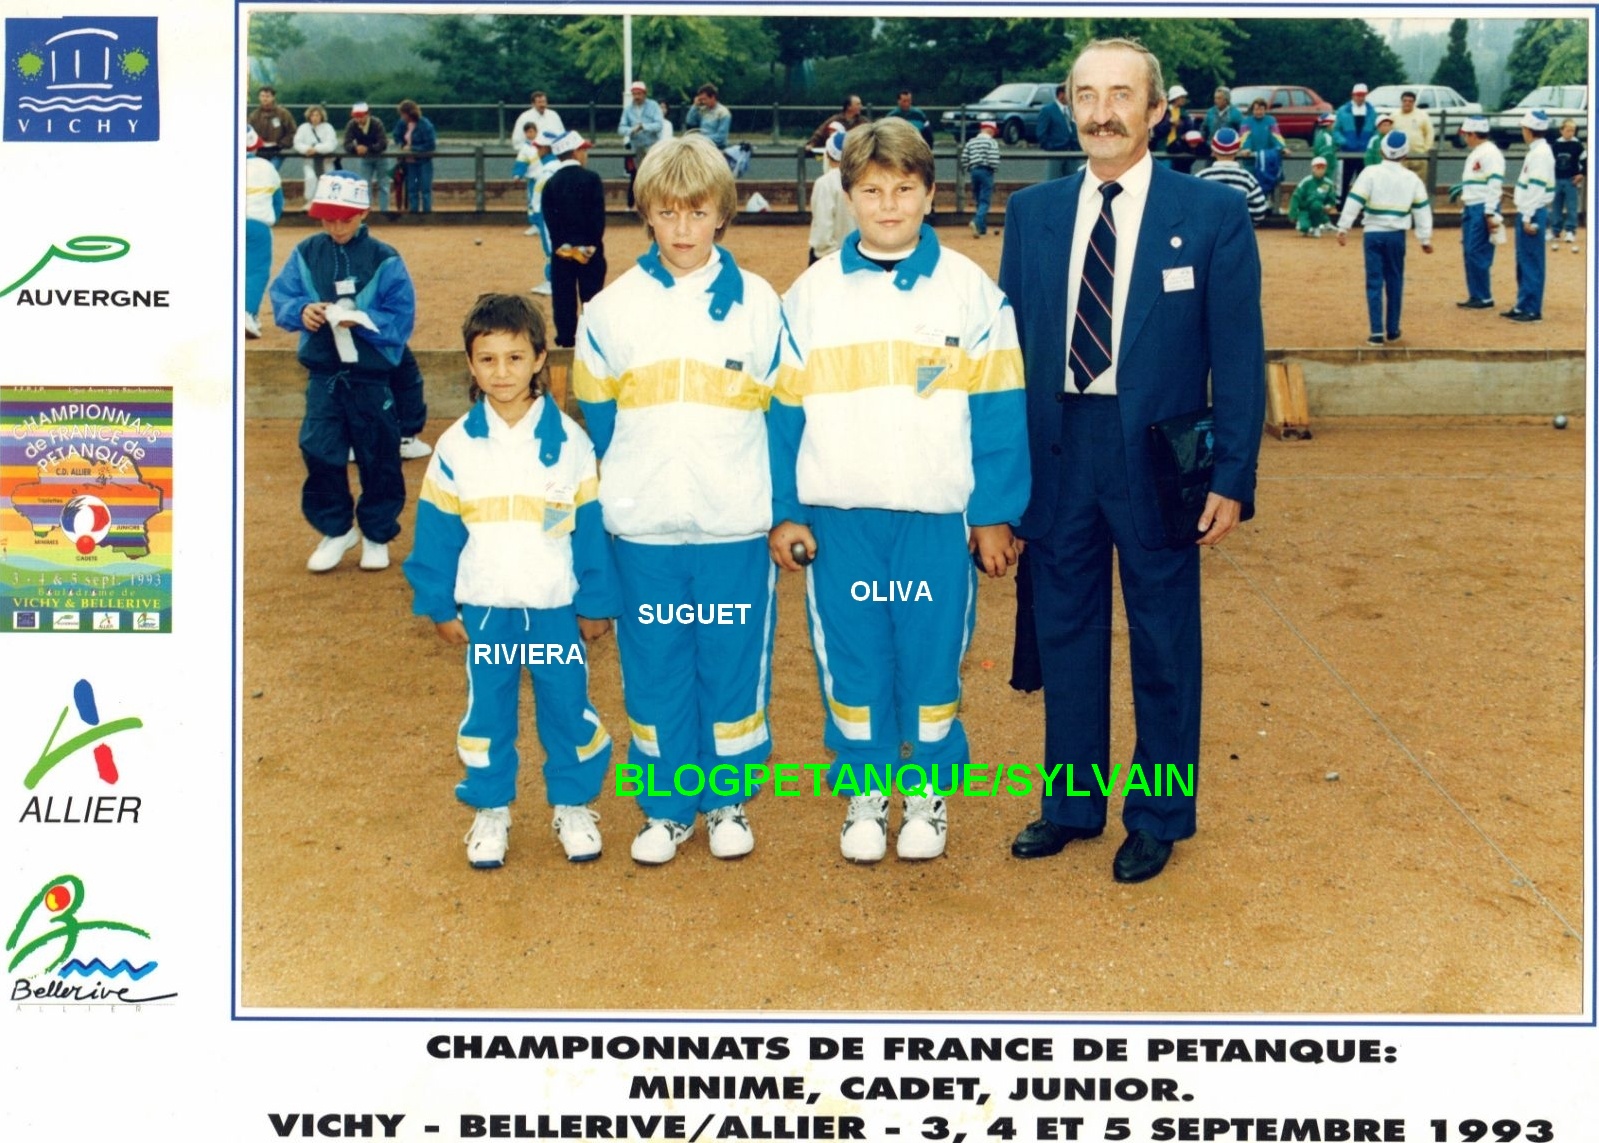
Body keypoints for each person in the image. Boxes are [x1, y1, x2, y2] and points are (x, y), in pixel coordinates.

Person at [999, 36, 1265, 883]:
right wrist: (1000, 477)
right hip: (1058, 449)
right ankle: (1071, 804)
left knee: (1161, 639)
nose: (1101, 111)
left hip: (1157, 459)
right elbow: (1008, 354)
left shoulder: (1210, 214)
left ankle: (1155, 812)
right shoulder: (1033, 216)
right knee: (1065, 627)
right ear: (1068, 107)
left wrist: (1231, 475)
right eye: (1085, 95)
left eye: (1121, 95)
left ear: (1156, 111)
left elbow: (1238, 352)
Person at [769, 118, 1028, 864]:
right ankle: (864, 794)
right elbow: (781, 415)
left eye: (904, 190)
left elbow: (999, 410)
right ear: (846, 196)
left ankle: (926, 797)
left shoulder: (970, 292)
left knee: (929, 658)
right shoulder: (811, 295)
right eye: (871, 191)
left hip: (934, 520)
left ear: (929, 193)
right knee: (851, 662)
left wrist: (993, 515)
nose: (888, 206)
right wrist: (785, 509)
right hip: (839, 519)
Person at [572, 134, 785, 865]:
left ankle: (726, 799)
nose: (684, 228)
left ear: (722, 214)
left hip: (733, 529)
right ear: (647, 217)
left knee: (730, 665)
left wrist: (782, 507)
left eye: (698, 211)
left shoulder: (759, 303)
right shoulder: (609, 310)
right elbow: (599, 430)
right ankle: (664, 809)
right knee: (655, 666)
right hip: (644, 534)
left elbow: (784, 414)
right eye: (668, 213)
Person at [403, 293, 619, 869]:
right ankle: (491, 809)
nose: (503, 372)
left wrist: (596, 600)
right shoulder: (454, 447)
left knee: (567, 707)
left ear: (540, 360)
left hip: (553, 607)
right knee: (487, 715)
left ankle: (573, 803)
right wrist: (439, 604)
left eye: (516, 358)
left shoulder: (571, 444)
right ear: (470, 366)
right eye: (488, 359)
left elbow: (588, 531)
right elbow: (437, 534)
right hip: (487, 609)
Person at [268, 171, 415, 573]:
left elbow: (402, 317)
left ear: (363, 213)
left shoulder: (386, 258)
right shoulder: (306, 252)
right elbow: (282, 295)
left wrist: (364, 319)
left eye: (344, 219)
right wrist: (301, 310)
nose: (335, 227)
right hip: (323, 377)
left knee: (378, 455)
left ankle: (376, 533)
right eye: (327, 218)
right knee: (318, 449)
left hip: (371, 379)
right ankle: (337, 529)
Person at [1335, 130, 1434, 345]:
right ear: (1405, 154)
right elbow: (1422, 210)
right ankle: (1393, 329)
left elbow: (1354, 201)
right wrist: (1424, 239)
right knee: (1395, 281)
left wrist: (1343, 227)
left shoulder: (1370, 173)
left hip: (1373, 233)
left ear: (1381, 150)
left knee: (1374, 282)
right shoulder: (1412, 178)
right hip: (1397, 235)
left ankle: (1376, 331)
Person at [541, 131, 607, 348]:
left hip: (563, 251)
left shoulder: (551, 183)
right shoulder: (592, 179)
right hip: (590, 251)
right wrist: (591, 245)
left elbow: (551, 221)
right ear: (576, 152)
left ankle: (566, 340)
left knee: (563, 298)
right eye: (583, 150)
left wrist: (562, 246)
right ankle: (593, 339)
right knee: (592, 298)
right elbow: (597, 219)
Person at [1505, 110, 1555, 323]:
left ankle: (1532, 308)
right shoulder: (1536, 151)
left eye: (1523, 128)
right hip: (1528, 209)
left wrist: (1527, 216)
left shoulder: (1541, 153)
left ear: (1529, 130)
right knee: (1523, 259)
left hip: (1533, 211)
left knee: (1531, 260)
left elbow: (1536, 187)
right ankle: (1523, 303)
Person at [1455, 115, 1505, 310]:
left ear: (1474, 134)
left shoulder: (1490, 153)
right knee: (1469, 251)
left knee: (1477, 251)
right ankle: (1475, 294)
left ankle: (1483, 296)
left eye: (1467, 134)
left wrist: (1490, 211)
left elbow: (1494, 183)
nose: (1465, 138)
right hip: (1471, 205)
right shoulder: (1477, 152)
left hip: (1482, 207)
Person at [243, 126, 283, 340]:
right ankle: (247, 313)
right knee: (255, 272)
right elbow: (278, 202)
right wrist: (272, 219)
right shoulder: (266, 167)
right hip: (257, 225)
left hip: (224, 225)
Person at [1195, 128, 1268, 224]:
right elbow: (1259, 212)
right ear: (1237, 149)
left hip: (1208, 234)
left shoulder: (1201, 177)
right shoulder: (1247, 179)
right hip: (1239, 235)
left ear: (1213, 149)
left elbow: (1190, 209)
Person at [807, 125, 854, 263]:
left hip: (831, 258)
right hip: (858, 256)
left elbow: (822, 230)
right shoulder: (863, 180)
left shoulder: (825, 183)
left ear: (827, 154)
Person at [619, 81, 666, 206]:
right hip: (636, 147)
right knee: (637, 176)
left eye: (639, 94)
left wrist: (643, 127)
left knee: (653, 175)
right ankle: (634, 204)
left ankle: (656, 202)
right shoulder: (628, 110)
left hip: (651, 145)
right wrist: (631, 130)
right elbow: (621, 128)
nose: (636, 97)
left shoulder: (654, 106)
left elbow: (659, 125)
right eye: (634, 94)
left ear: (644, 94)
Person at [1239, 97, 1289, 211]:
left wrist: (1282, 148)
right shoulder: (1246, 122)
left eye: (1261, 109)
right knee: (1251, 185)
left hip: (1269, 160)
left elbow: (1276, 135)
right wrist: (1246, 148)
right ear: (1253, 110)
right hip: (1251, 161)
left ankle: (1273, 209)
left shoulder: (1271, 120)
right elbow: (1245, 137)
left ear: (1265, 109)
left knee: (1274, 182)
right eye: (1256, 109)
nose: (1259, 112)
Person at [343, 101, 390, 212]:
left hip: (380, 157)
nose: (358, 119)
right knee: (364, 185)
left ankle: (384, 211)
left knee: (383, 184)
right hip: (365, 159)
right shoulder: (352, 124)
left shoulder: (377, 123)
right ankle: (367, 212)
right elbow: (346, 143)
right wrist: (355, 148)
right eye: (356, 117)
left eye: (361, 116)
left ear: (367, 114)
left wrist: (368, 148)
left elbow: (383, 143)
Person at [1334, 83, 1376, 199]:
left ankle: (1362, 204)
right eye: (1357, 95)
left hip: (1364, 152)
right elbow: (1336, 130)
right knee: (1343, 179)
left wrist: (1371, 143)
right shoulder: (1342, 111)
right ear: (1353, 95)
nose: (1360, 97)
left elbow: (1375, 130)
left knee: (1363, 181)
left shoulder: (1372, 111)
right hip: (1346, 152)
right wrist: (1343, 141)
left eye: (1362, 95)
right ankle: (1341, 203)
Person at [395, 99, 437, 214]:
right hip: (410, 162)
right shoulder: (402, 124)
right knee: (412, 188)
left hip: (424, 161)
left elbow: (430, 145)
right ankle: (414, 213)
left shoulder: (425, 125)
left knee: (425, 189)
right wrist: (401, 145)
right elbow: (397, 136)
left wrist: (413, 148)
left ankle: (427, 213)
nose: (402, 116)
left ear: (409, 113)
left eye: (403, 114)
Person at [292, 104, 339, 206]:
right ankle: (310, 202)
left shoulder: (328, 128)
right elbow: (297, 143)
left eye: (317, 115)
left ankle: (328, 203)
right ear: (309, 116)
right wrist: (307, 149)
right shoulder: (303, 128)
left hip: (326, 161)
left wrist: (316, 149)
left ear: (322, 116)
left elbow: (331, 144)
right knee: (310, 178)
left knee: (328, 180)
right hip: (309, 162)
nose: (315, 117)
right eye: (312, 115)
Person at [961, 120, 1002, 237]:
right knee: (985, 200)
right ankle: (976, 221)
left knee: (978, 199)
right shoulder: (991, 142)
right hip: (986, 171)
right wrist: (994, 168)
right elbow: (993, 158)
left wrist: (969, 168)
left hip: (974, 171)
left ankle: (981, 229)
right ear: (990, 130)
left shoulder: (971, 142)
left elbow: (964, 158)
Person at [1550, 117, 1585, 252]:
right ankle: (1556, 231)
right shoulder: (1556, 145)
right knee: (1556, 206)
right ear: (1561, 130)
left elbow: (1585, 160)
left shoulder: (1577, 145)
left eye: (1573, 131)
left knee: (1571, 206)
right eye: (1568, 130)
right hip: (1557, 179)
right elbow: (1550, 162)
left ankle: (1570, 230)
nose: (1571, 133)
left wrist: (1581, 174)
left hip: (1571, 180)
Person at [1389, 90, 1435, 186]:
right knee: (1400, 183)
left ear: (1414, 102)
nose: (1407, 103)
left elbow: (1429, 133)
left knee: (1419, 183)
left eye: (1410, 101)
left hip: (1419, 155)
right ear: (1401, 101)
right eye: (1405, 101)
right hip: (1400, 156)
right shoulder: (1394, 116)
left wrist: (1425, 150)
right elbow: (1388, 133)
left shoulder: (1422, 115)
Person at [1287, 154, 1339, 237]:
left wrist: (1328, 206)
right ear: (1313, 169)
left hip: (1318, 210)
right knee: (1304, 227)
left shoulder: (1329, 183)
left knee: (1317, 205)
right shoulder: (1306, 181)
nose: (1320, 170)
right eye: (1318, 168)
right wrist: (1293, 213)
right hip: (1304, 210)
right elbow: (1296, 197)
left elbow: (1331, 200)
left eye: (1323, 168)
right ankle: (1304, 226)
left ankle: (1316, 226)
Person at [1035, 83, 1078, 180]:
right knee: (1053, 179)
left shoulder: (1072, 110)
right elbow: (1041, 132)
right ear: (1061, 95)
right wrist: (1050, 147)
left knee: (1072, 180)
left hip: (1073, 151)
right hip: (1056, 151)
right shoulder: (1047, 110)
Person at [248, 85, 296, 169]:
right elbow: (248, 133)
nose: (265, 99)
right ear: (259, 97)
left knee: (271, 170)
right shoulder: (254, 116)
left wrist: (280, 143)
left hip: (278, 151)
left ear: (273, 97)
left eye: (267, 96)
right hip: (259, 151)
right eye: (262, 96)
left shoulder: (283, 114)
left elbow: (292, 132)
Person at [684, 83, 732, 148]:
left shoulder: (723, 112)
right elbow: (690, 122)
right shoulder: (703, 110)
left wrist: (701, 139)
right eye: (701, 99)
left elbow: (721, 137)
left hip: (716, 147)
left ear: (713, 97)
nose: (703, 102)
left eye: (704, 99)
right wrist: (695, 106)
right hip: (702, 145)